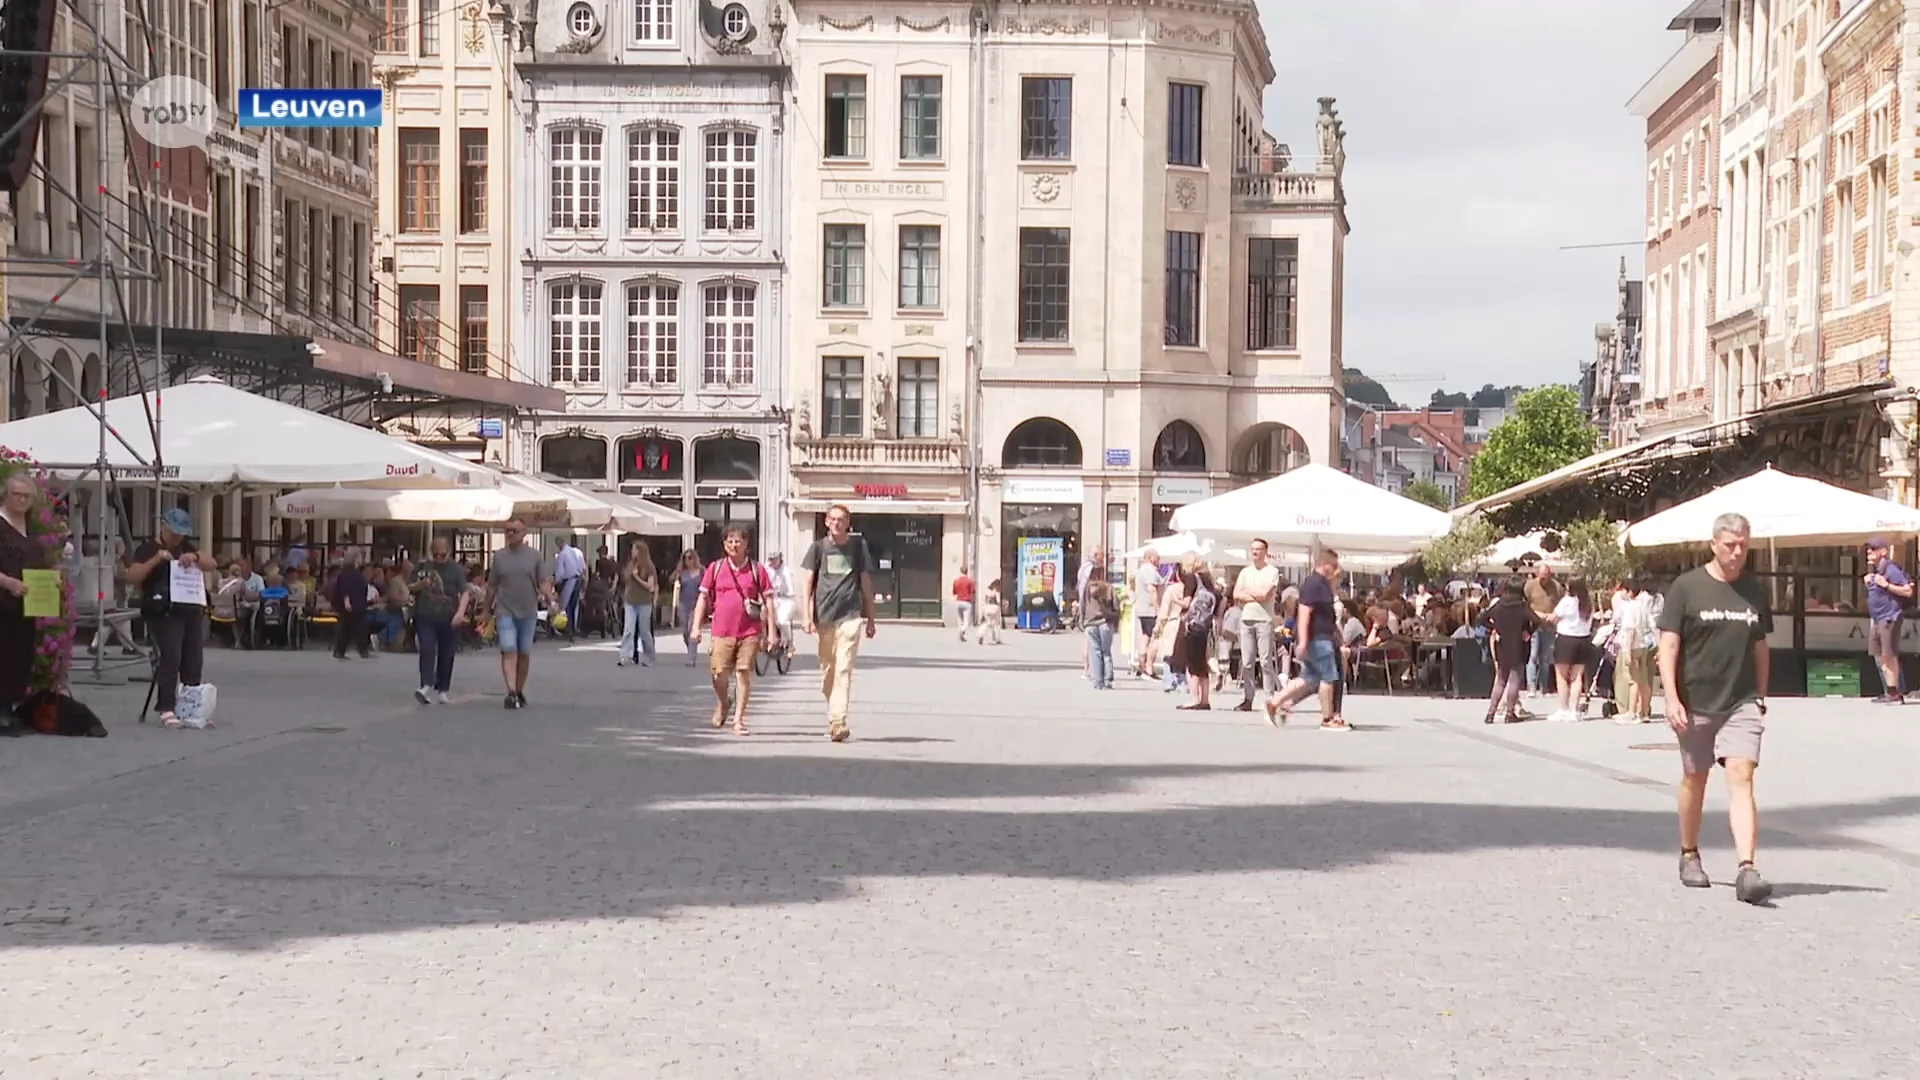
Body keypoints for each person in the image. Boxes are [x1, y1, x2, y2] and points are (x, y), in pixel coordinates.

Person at [1658, 512, 1773, 905]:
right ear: (1714, 544)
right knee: (1696, 777)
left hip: (1740, 699)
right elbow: (1668, 645)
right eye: (1730, 545)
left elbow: (1759, 645)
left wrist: (1760, 695)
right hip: (1695, 700)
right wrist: (1671, 697)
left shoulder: (1754, 591)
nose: (1738, 552)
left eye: (1743, 545)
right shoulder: (1687, 587)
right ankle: (1689, 853)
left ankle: (1747, 868)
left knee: (1742, 776)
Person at [799, 504, 877, 742]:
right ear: (826, 521)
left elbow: (865, 582)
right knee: (828, 672)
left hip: (850, 615)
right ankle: (834, 708)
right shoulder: (818, 548)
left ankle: (838, 721)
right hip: (824, 616)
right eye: (833, 519)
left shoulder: (857, 546)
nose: (837, 523)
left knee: (844, 669)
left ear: (848, 522)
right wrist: (806, 614)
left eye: (841, 519)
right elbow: (807, 583)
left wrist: (870, 617)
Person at [127, 508, 208, 728]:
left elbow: (210, 563)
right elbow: (132, 576)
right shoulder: (148, 548)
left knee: (193, 657)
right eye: (173, 533)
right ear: (163, 527)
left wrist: (196, 557)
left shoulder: (185, 548)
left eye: (181, 534)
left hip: (188, 608)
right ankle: (166, 707)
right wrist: (156, 560)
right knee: (170, 655)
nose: (177, 538)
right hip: (162, 611)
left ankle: (190, 706)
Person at [689, 527, 771, 733]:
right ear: (724, 545)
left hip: (750, 630)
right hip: (721, 630)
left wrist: (772, 632)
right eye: (730, 542)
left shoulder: (757, 569)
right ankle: (724, 702)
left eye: (738, 541)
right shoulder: (715, 568)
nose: (734, 546)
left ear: (746, 544)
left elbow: (769, 600)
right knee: (719, 675)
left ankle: (739, 720)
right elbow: (703, 598)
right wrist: (696, 627)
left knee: (743, 673)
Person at [1266, 547, 1348, 731]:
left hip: (1319, 637)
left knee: (1309, 678)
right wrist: (1302, 640)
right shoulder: (1313, 584)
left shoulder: (1322, 584)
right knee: (1328, 677)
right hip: (1318, 638)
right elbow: (1304, 611)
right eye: (1333, 565)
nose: (1336, 569)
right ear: (1325, 564)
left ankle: (1274, 703)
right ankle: (1328, 719)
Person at [488, 520, 553, 709]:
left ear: (525, 532)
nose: (510, 534)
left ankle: (518, 689)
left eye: (514, 531)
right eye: (507, 531)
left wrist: (551, 601)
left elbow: (543, 582)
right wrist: (485, 610)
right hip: (504, 609)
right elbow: (492, 586)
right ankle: (511, 692)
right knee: (508, 648)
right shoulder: (499, 557)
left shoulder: (534, 556)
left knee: (523, 652)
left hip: (528, 610)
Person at [0, 475, 47, 735]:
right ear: (6, 495)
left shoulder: (30, 526)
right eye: (16, 494)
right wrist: (7, 582)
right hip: (3, 601)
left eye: (26, 496)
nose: (20, 499)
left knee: (20, 655)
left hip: (25, 604)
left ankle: (9, 708)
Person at [410, 536, 470, 705]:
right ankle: (426, 686)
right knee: (427, 649)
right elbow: (410, 587)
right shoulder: (422, 567)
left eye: (442, 555)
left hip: (449, 617)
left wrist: (460, 613)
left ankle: (443, 689)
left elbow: (464, 592)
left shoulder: (455, 570)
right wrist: (420, 585)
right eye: (435, 555)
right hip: (425, 615)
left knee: (447, 653)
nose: (439, 558)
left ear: (449, 552)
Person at [1232, 539, 1281, 713]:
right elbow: (1236, 594)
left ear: (1265, 551)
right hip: (1246, 619)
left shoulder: (1272, 571)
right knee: (1247, 661)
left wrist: (1248, 591)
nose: (1254, 552)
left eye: (1258, 549)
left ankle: (1269, 699)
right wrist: (1254, 594)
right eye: (1252, 549)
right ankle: (1248, 698)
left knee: (1266, 661)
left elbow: (1265, 596)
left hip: (1264, 620)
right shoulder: (1245, 571)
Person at [1481, 576, 1537, 724]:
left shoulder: (1499, 605)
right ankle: (1510, 713)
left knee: (1500, 680)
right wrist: (1528, 632)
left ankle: (1491, 713)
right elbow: (1537, 621)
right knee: (1514, 679)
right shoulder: (1522, 606)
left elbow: (1482, 618)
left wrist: (1496, 628)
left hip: (1503, 644)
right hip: (1518, 644)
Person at [1863, 537, 1912, 703]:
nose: (1869, 552)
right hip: (1877, 618)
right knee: (1879, 655)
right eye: (1868, 549)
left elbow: (1907, 591)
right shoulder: (1877, 570)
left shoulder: (1890, 569)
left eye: (1873, 549)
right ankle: (1889, 690)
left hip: (1889, 617)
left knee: (1889, 655)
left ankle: (1894, 692)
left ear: (1883, 551)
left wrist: (1886, 585)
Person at [1610, 575, 1657, 724]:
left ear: (1629, 591)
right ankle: (1644, 711)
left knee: (1633, 680)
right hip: (1644, 645)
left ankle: (1631, 712)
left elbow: (1629, 630)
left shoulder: (1630, 607)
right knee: (1644, 680)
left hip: (1632, 646)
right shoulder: (1643, 606)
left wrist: (1628, 651)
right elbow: (1652, 625)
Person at [1550, 576, 1594, 722]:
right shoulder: (1588, 602)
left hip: (1566, 638)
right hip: (1583, 638)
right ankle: (1574, 710)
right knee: (1577, 676)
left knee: (1562, 676)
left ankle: (1563, 708)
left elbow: (1554, 618)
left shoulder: (1567, 601)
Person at [1174, 561, 1217, 711]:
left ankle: (1194, 698)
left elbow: (1186, 603)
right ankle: (1205, 699)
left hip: (1192, 625)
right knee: (1202, 664)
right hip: (1206, 627)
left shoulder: (1192, 579)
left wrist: (1175, 599)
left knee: (1191, 664)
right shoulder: (1210, 583)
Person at [1523, 563, 1563, 696]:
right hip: (1534, 625)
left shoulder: (1556, 587)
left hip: (1550, 626)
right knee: (1533, 655)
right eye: (1541, 577)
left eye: (1545, 577)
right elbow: (1525, 605)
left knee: (1546, 657)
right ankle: (1532, 686)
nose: (1543, 580)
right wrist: (1537, 614)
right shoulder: (1530, 586)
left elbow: (1561, 605)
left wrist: (1554, 616)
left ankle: (1544, 686)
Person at [618, 544, 658, 667]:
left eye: (634, 549)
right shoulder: (631, 565)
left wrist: (637, 577)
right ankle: (625, 656)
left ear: (640, 551)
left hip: (644, 602)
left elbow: (650, 587)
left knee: (644, 630)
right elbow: (626, 580)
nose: (632, 552)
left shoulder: (649, 567)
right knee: (628, 629)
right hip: (630, 601)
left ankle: (649, 657)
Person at [329, 551, 374, 661]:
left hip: (356, 604)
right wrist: (347, 601)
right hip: (352, 605)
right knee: (354, 628)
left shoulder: (352, 573)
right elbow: (344, 589)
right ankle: (359, 650)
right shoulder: (348, 574)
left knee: (348, 628)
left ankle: (342, 650)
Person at [1083, 571, 1119, 689]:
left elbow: (1082, 605)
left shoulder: (1087, 589)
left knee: (1095, 652)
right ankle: (1107, 679)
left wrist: (1082, 621)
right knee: (1106, 652)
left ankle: (1098, 681)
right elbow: (1116, 606)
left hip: (1090, 623)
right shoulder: (1109, 588)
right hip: (1105, 623)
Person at [1132, 550, 1164, 678]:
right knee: (1154, 638)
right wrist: (1158, 608)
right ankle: (1148, 668)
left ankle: (1142, 666)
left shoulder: (1141, 570)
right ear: (1151, 558)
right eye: (1158, 558)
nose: (1159, 561)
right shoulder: (1149, 571)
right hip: (1150, 610)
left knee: (1145, 637)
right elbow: (1152, 590)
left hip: (1143, 608)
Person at [672, 550, 704, 666]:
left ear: (694, 558)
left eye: (690, 558)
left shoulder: (701, 572)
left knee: (692, 630)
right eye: (685, 558)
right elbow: (672, 580)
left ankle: (691, 658)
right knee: (685, 632)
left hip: (696, 604)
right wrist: (677, 574)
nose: (688, 560)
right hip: (683, 603)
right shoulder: (682, 573)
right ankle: (691, 647)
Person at [552, 535, 587, 640]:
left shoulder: (562, 555)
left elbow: (560, 574)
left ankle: (569, 630)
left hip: (569, 581)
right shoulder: (577, 552)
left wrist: (554, 582)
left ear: (558, 544)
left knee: (566, 606)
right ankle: (573, 628)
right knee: (574, 605)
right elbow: (584, 568)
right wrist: (585, 583)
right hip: (578, 579)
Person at [951, 565, 975, 642]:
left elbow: (954, 592)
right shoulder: (970, 581)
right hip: (967, 602)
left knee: (960, 620)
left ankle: (961, 635)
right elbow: (973, 591)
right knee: (966, 621)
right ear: (966, 571)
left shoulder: (956, 580)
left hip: (958, 601)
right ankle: (962, 631)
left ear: (960, 571)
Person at [977, 579, 1004, 645]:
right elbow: (998, 601)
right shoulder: (997, 592)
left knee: (987, 623)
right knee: (997, 624)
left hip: (987, 608)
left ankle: (980, 634)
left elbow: (985, 601)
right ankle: (997, 639)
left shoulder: (987, 591)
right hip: (995, 608)